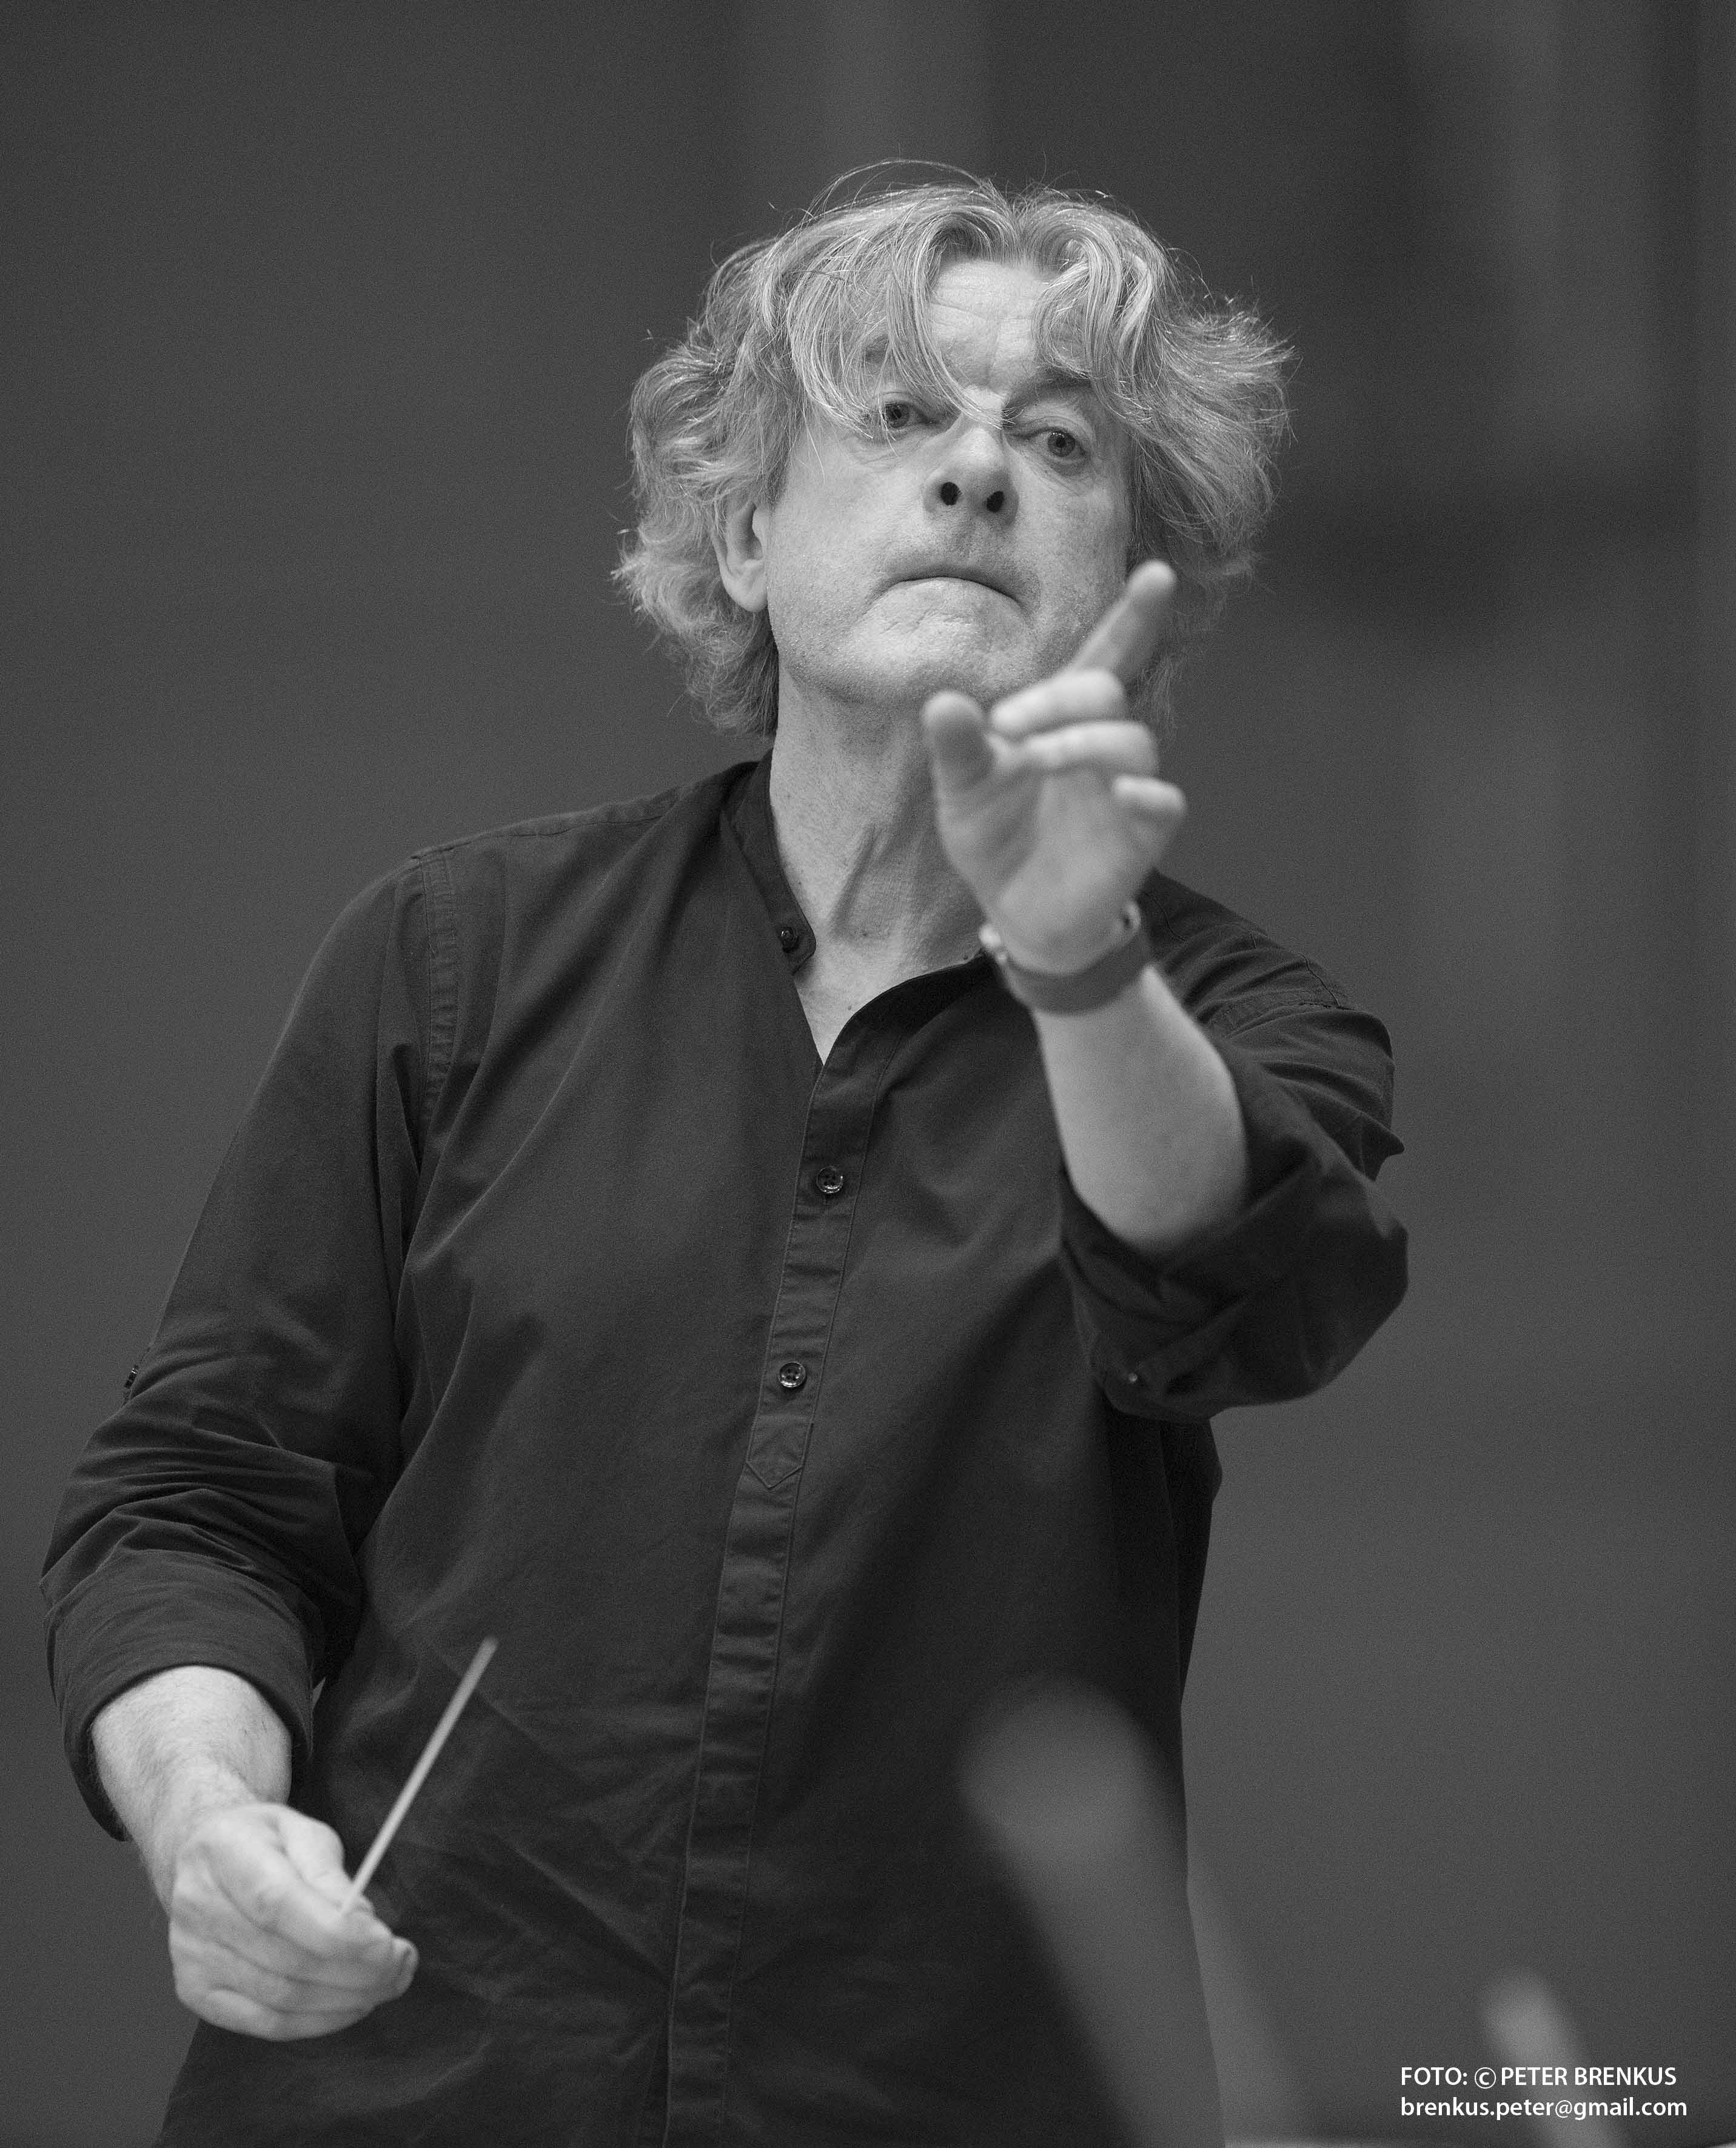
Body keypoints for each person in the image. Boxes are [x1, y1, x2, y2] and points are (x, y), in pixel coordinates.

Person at [42, 175, 1407, 2147]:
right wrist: (208, 1822)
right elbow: (201, 1504)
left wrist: (1076, 965)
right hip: (417, 2094)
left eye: (1055, 443)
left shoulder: (1233, 1021)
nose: (975, 474)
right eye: (899, 416)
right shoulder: (452, 956)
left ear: (1139, 574)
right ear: (747, 538)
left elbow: (1230, 1285)